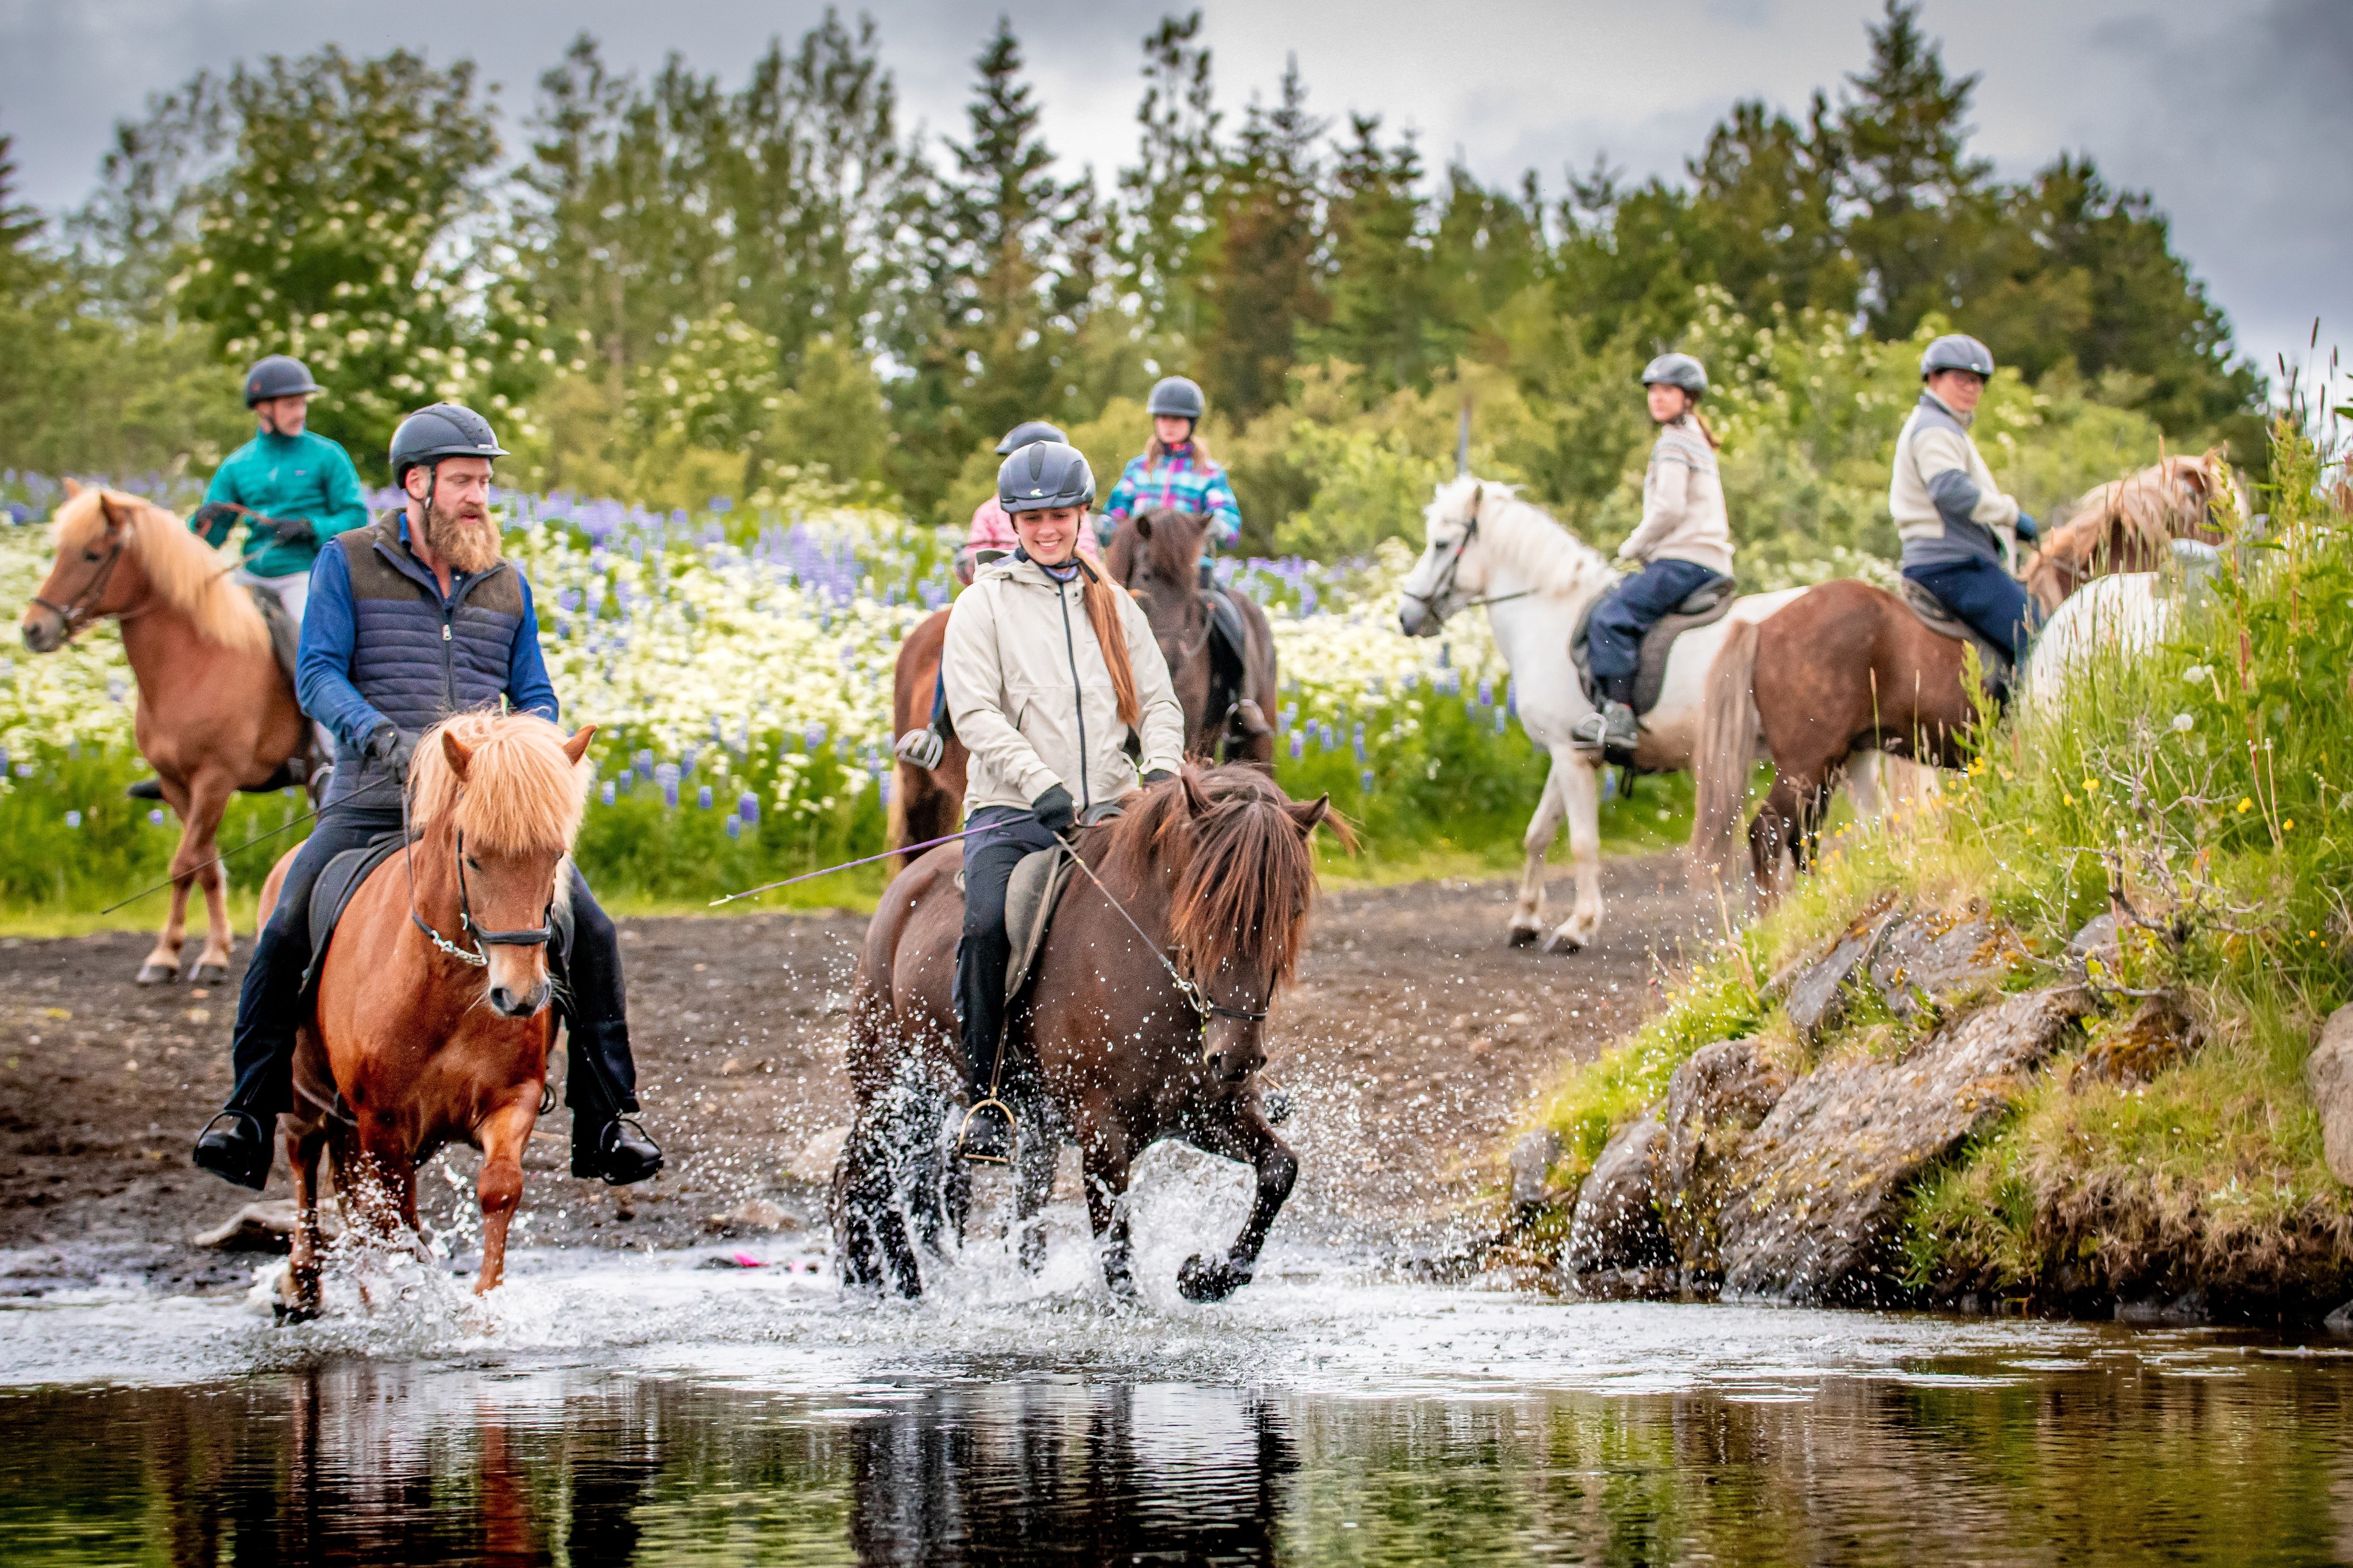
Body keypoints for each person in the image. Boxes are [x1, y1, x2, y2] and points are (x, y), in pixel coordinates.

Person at [191, 403, 662, 1192]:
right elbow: (317, 676)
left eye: (485, 481)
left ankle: (609, 1120)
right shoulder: (347, 561)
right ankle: (247, 1112)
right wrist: (382, 739)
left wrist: (529, 753)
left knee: (594, 929)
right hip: (373, 801)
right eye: (464, 481)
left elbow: (536, 693)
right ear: (417, 483)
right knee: (284, 924)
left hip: (484, 812)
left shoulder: (507, 583)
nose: (480, 496)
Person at [939, 441, 1185, 1161]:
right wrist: (1037, 781)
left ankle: (1221, 1068)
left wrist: (1163, 774)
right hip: (1013, 811)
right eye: (1033, 518)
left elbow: (1160, 704)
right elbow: (975, 714)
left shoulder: (1114, 607)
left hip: (1111, 809)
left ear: (1084, 515)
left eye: (1061, 515)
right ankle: (985, 1098)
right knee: (989, 925)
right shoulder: (980, 606)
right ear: (1012, 523)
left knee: (1197, 907)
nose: (1048, 529)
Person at [895, 420, 1097, 771]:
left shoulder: (1074, 512)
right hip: (1001, 600)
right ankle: (937, 727)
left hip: (1061, 597)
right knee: (951, 644)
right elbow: (976, 557)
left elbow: (1090, 556)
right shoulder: (991, 510)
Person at [1572, 353, 1737, 753]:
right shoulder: (1697, 438)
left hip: (1684, 562)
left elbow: (1669, 509)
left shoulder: (1673, 443)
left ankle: (1619, 715)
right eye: (1653, 391)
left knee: (1611, 617)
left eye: (1668, 391)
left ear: (1688, 397)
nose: (1658, 399)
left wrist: (1633, 545)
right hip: (1709, 561)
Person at [188, 354, 372, 629]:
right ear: (262, 408)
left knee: (313, 638)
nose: (300, 413)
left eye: (302, 404)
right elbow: (207, 541)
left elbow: (356, 516)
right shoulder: (237, 465)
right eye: (290, 405)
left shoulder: (328, 455)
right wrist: (204, 520)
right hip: (250, 576)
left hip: (304, 574)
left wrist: (310, 527)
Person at [1890, 334, 2041, 665]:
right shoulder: (1935, 428)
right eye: (1961, 378)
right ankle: (2037, 715)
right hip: (1954, 564)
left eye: (1978, 381)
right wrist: (2013, 516)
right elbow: (1951, 490)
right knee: (2039, 636)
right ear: (1933, 378)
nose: (1971, 388)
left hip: (1949, 560)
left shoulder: (1943, 427)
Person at [1098, 376, 1241, 551]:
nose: (1169, 425)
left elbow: (1227, 519)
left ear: (1192, 422)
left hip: (1186, 561)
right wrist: (1102, 526)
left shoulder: (1209, 473)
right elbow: (1116, 512)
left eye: (1177, 418)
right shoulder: (1138, 468)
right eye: (1163, 418)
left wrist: (1218, 527)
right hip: (1139, 561)